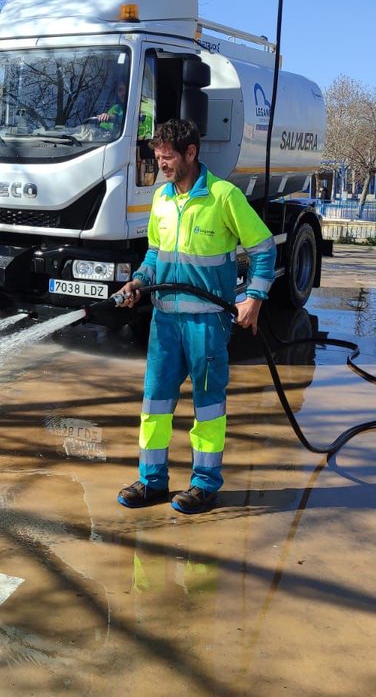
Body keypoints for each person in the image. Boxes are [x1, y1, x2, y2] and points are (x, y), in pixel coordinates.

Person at [113, 118, 276, 514]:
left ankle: (204, 484)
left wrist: (253, 298)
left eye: (168, 157)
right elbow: (155, 253)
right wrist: (137, 282)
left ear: (191, 153)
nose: (162, 165)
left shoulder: (224, 196)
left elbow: (264, 248)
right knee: (154, 404)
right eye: (158, 157)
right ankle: (152, 482)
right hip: (165, 321)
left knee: (207, 407)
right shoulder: (162, 199)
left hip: (207, 322)